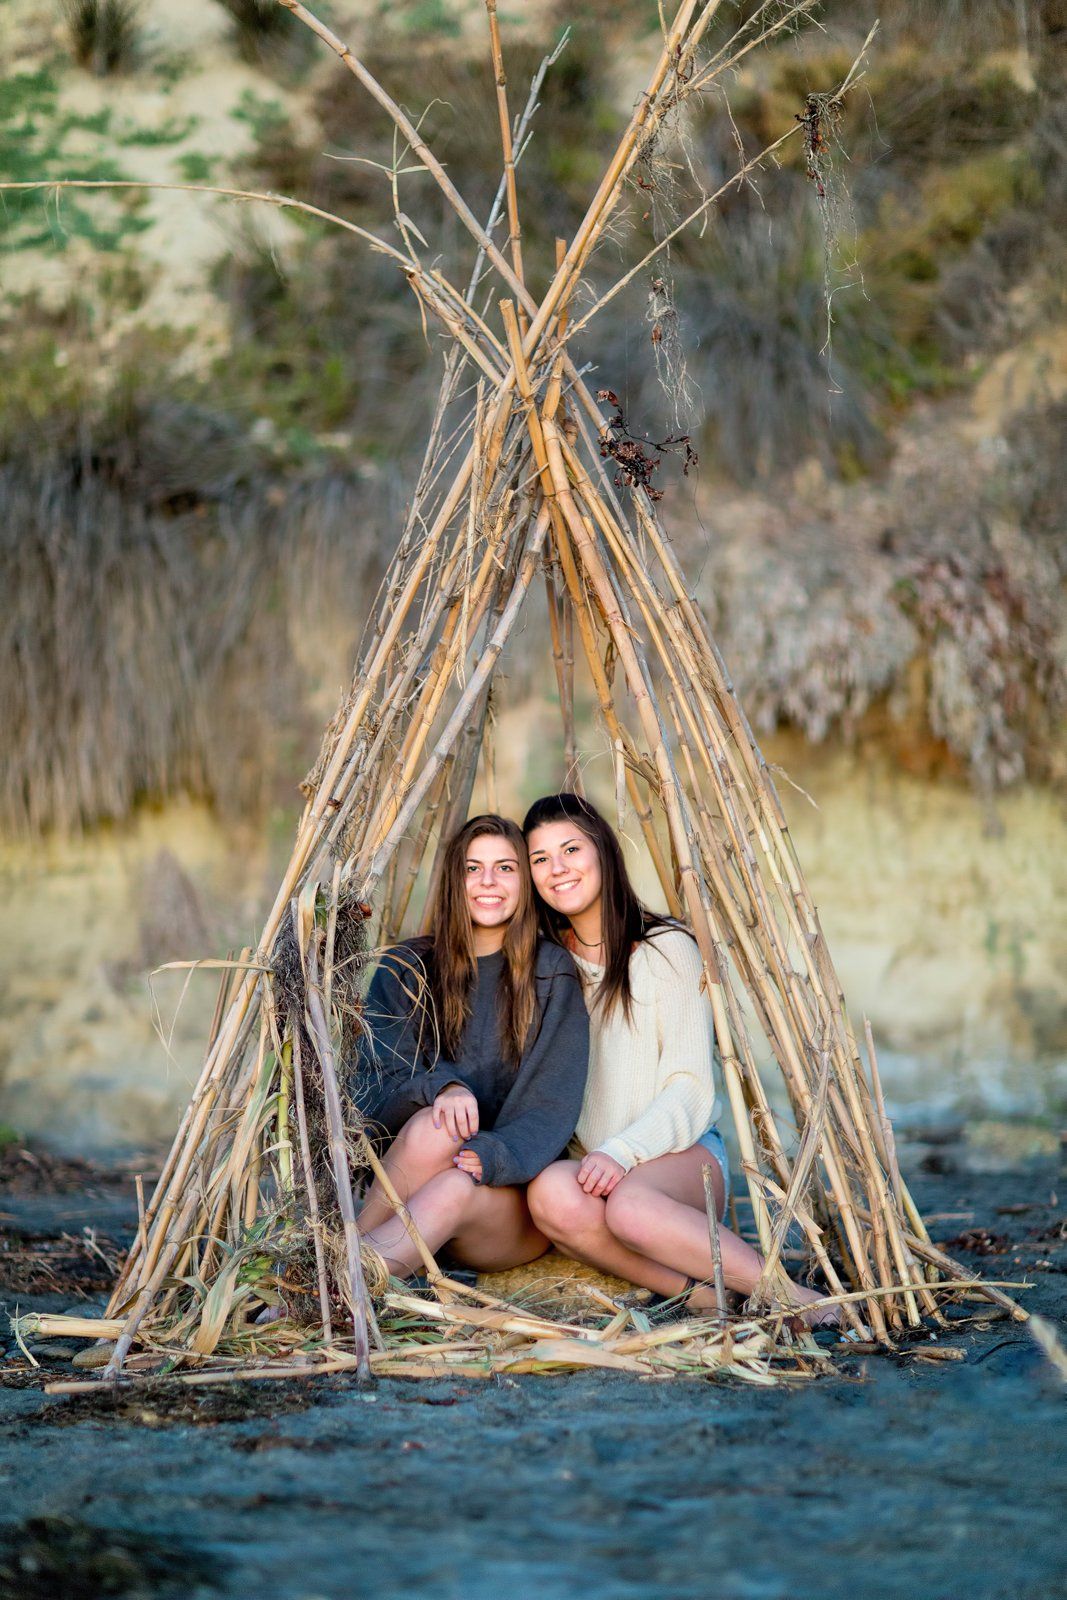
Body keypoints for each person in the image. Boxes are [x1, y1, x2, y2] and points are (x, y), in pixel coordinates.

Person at [522, 791, 836, 1326]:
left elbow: (691, 1087)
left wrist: (623, 1152)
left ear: (601, 851)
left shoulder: (667, 948)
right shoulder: (547, 968)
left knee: (632, 1208)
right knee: (549, 1194)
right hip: (599, 1167)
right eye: (540, 859)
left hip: (680, 1158)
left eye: (571, 850)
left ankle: (791, 1298)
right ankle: (700, 1295)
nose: (558, 870)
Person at [354, 813, 589, 1280]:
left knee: (455, 1184)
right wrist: (442, 1089)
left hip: (503, 1205)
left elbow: (552, 1104)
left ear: (525, 882)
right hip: (411, 1178)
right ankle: (343, 1260)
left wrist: (493, 1153)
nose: (489, 882)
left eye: (505, 868)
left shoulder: (549, 972)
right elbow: (372, 1085)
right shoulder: (406, 967)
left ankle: (333, 1284)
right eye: (472, 867)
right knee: (438, 1125)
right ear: (453, 880)